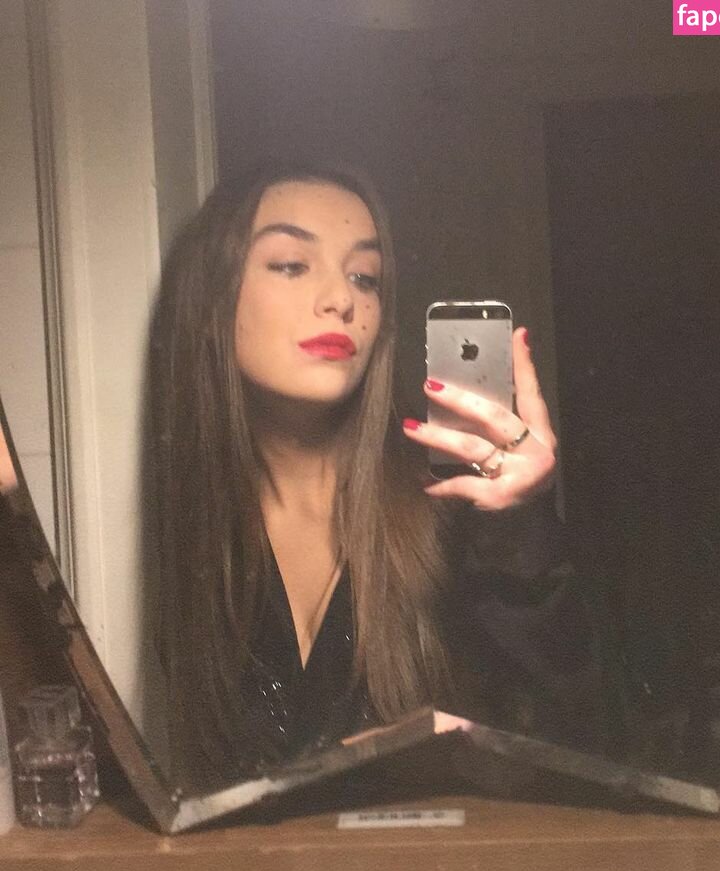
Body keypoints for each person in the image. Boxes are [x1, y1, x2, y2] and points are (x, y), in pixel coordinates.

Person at [150, 162, 591, 790]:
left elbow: (570, 744)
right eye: (292, 265)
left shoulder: (450, 505)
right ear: (213, 298)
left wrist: (520, 522)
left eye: (365, 276)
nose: (343, 299)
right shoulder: (189, 527)